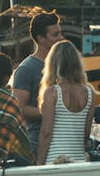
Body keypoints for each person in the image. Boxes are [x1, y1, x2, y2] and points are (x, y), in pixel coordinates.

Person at [36, 40, 96, 164]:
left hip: (55, 160)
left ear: (52, 64)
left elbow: (46, 132)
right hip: (79, 161)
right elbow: (86, 132)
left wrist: (38, 164)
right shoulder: (89, 93)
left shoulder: (52, 92)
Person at [12, 11, 63, 154]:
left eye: (60, 33)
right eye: (55, 35)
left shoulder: (61, 64)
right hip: (37, 142)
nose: (61, 38)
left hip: (62, 139)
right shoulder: (26, 69)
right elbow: (20, 108)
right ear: (41, 39)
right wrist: (54, 112)